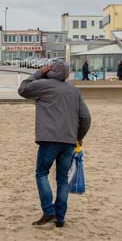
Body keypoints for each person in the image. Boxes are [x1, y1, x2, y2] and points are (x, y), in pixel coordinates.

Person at [17, 61, 91, 228]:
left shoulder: (44, 85)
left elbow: (23, 89)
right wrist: (79, 137)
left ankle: (48, 211)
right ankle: (60, 216)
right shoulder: (74, 91)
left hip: (49, 139)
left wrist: (38, 73)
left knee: (41, 173)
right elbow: (86, 118)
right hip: (68, 141)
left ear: (50, 70)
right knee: (62, 178)